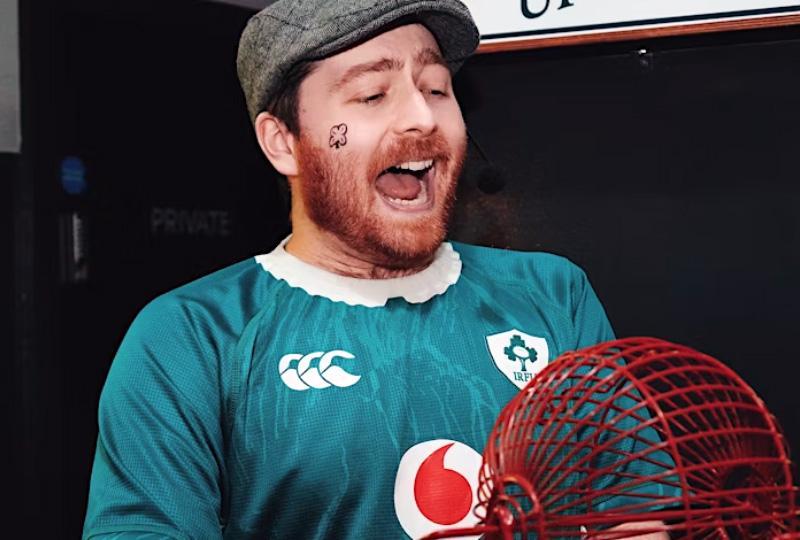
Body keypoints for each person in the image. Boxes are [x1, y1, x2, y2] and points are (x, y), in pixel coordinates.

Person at [82, 1, 675, 538]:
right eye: (372, 95)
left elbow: (633, 512)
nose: (421, 117)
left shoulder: (553, 296)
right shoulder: (191, 339)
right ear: (283, 141)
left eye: (438, 88)